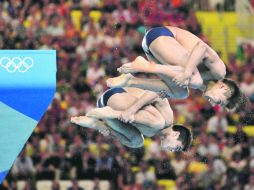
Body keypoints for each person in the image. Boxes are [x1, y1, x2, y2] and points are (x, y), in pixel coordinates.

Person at [107, 26, 244, 111]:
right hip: (162, 36)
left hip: (152, 50)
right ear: (223, 88)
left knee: (180, 93)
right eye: (219, 101)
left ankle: (131, 81)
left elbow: (167, 85)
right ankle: (146, 66)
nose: (213, 104)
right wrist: (187, 72)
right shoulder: (220, 71)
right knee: (194, 80)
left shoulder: (201, 86)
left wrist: (163, 92)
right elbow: (202, 47)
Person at [71, 87, 192, 152]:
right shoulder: (168, 118)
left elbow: (124, 133)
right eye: (176, 148)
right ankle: (113, 114)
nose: (172, 151)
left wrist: (109, 133)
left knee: (137, 142)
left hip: (106, 109)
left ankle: (98, 125)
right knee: (158, 122)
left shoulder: (154, 132)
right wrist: (131, 111)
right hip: (117, 96)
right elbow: (157, 92)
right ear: (176, 134)